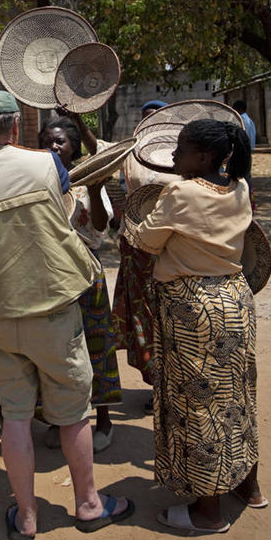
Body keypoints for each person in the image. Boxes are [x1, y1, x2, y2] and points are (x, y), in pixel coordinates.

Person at [0, 90, 134, 540]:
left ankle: (26, 517)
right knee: (72, 414)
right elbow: (65, 209)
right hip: (53, 310)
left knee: (15, 416)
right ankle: (89, 505)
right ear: (14, 127)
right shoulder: (47, 165)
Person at [126, 118, 267, 533]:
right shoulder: (240, 187)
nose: (173, 156)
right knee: (238, 394)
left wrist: (135, 221)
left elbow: (146, 242)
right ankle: (248, 486)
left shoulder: (181, 192)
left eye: (182, 149)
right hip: (234, 300)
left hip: (194, 309)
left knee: (200, 404)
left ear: (203, 156)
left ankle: (208, 512)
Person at [38, 115, 121, 453]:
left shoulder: (89, 181)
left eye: (60, 141)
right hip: (49, 276)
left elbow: (101, 226)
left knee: (95, 345)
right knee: (55, 349)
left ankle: (103, 419)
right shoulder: (37, 180)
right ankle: (62, 418)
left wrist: (98, 187)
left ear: (73, 146)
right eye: (47, 141)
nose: (53, 146)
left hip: (87, 274)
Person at [112, 100, 170, 403]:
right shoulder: (131, 155)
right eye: (146, 119)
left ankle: (168, 383)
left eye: (156, 118)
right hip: (135, 248)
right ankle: (156, 381)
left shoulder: (179, 155)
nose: (150, 124)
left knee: (166, 316)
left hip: (169, 251)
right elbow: (99, 152)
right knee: (143, 316)